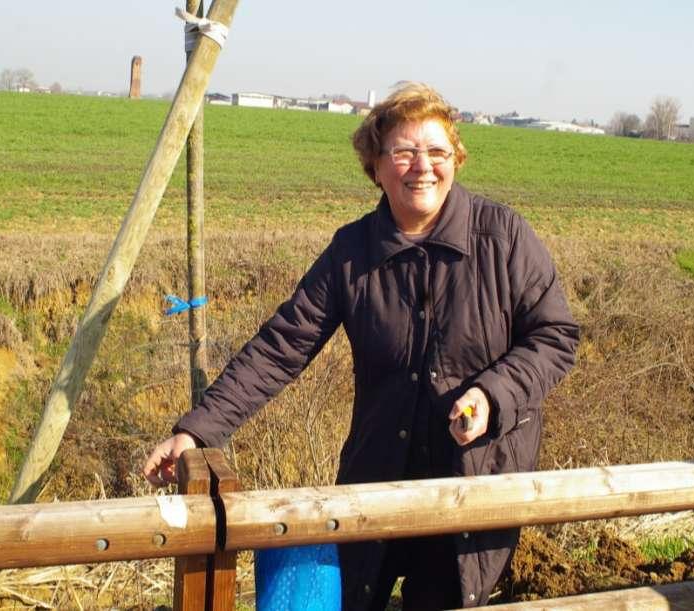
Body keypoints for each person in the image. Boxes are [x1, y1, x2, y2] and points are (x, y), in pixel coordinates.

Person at [144, 82, 579, 609]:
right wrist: (198, 429)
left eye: (438, 152)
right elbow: (282, 345)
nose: (423, 166)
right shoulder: (353, 252)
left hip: (477, 480)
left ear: (456, 161)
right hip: (378, 476)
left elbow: (555, 338)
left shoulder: (503, 237)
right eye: (404, 152)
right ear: (375, 166)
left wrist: (492, 395)